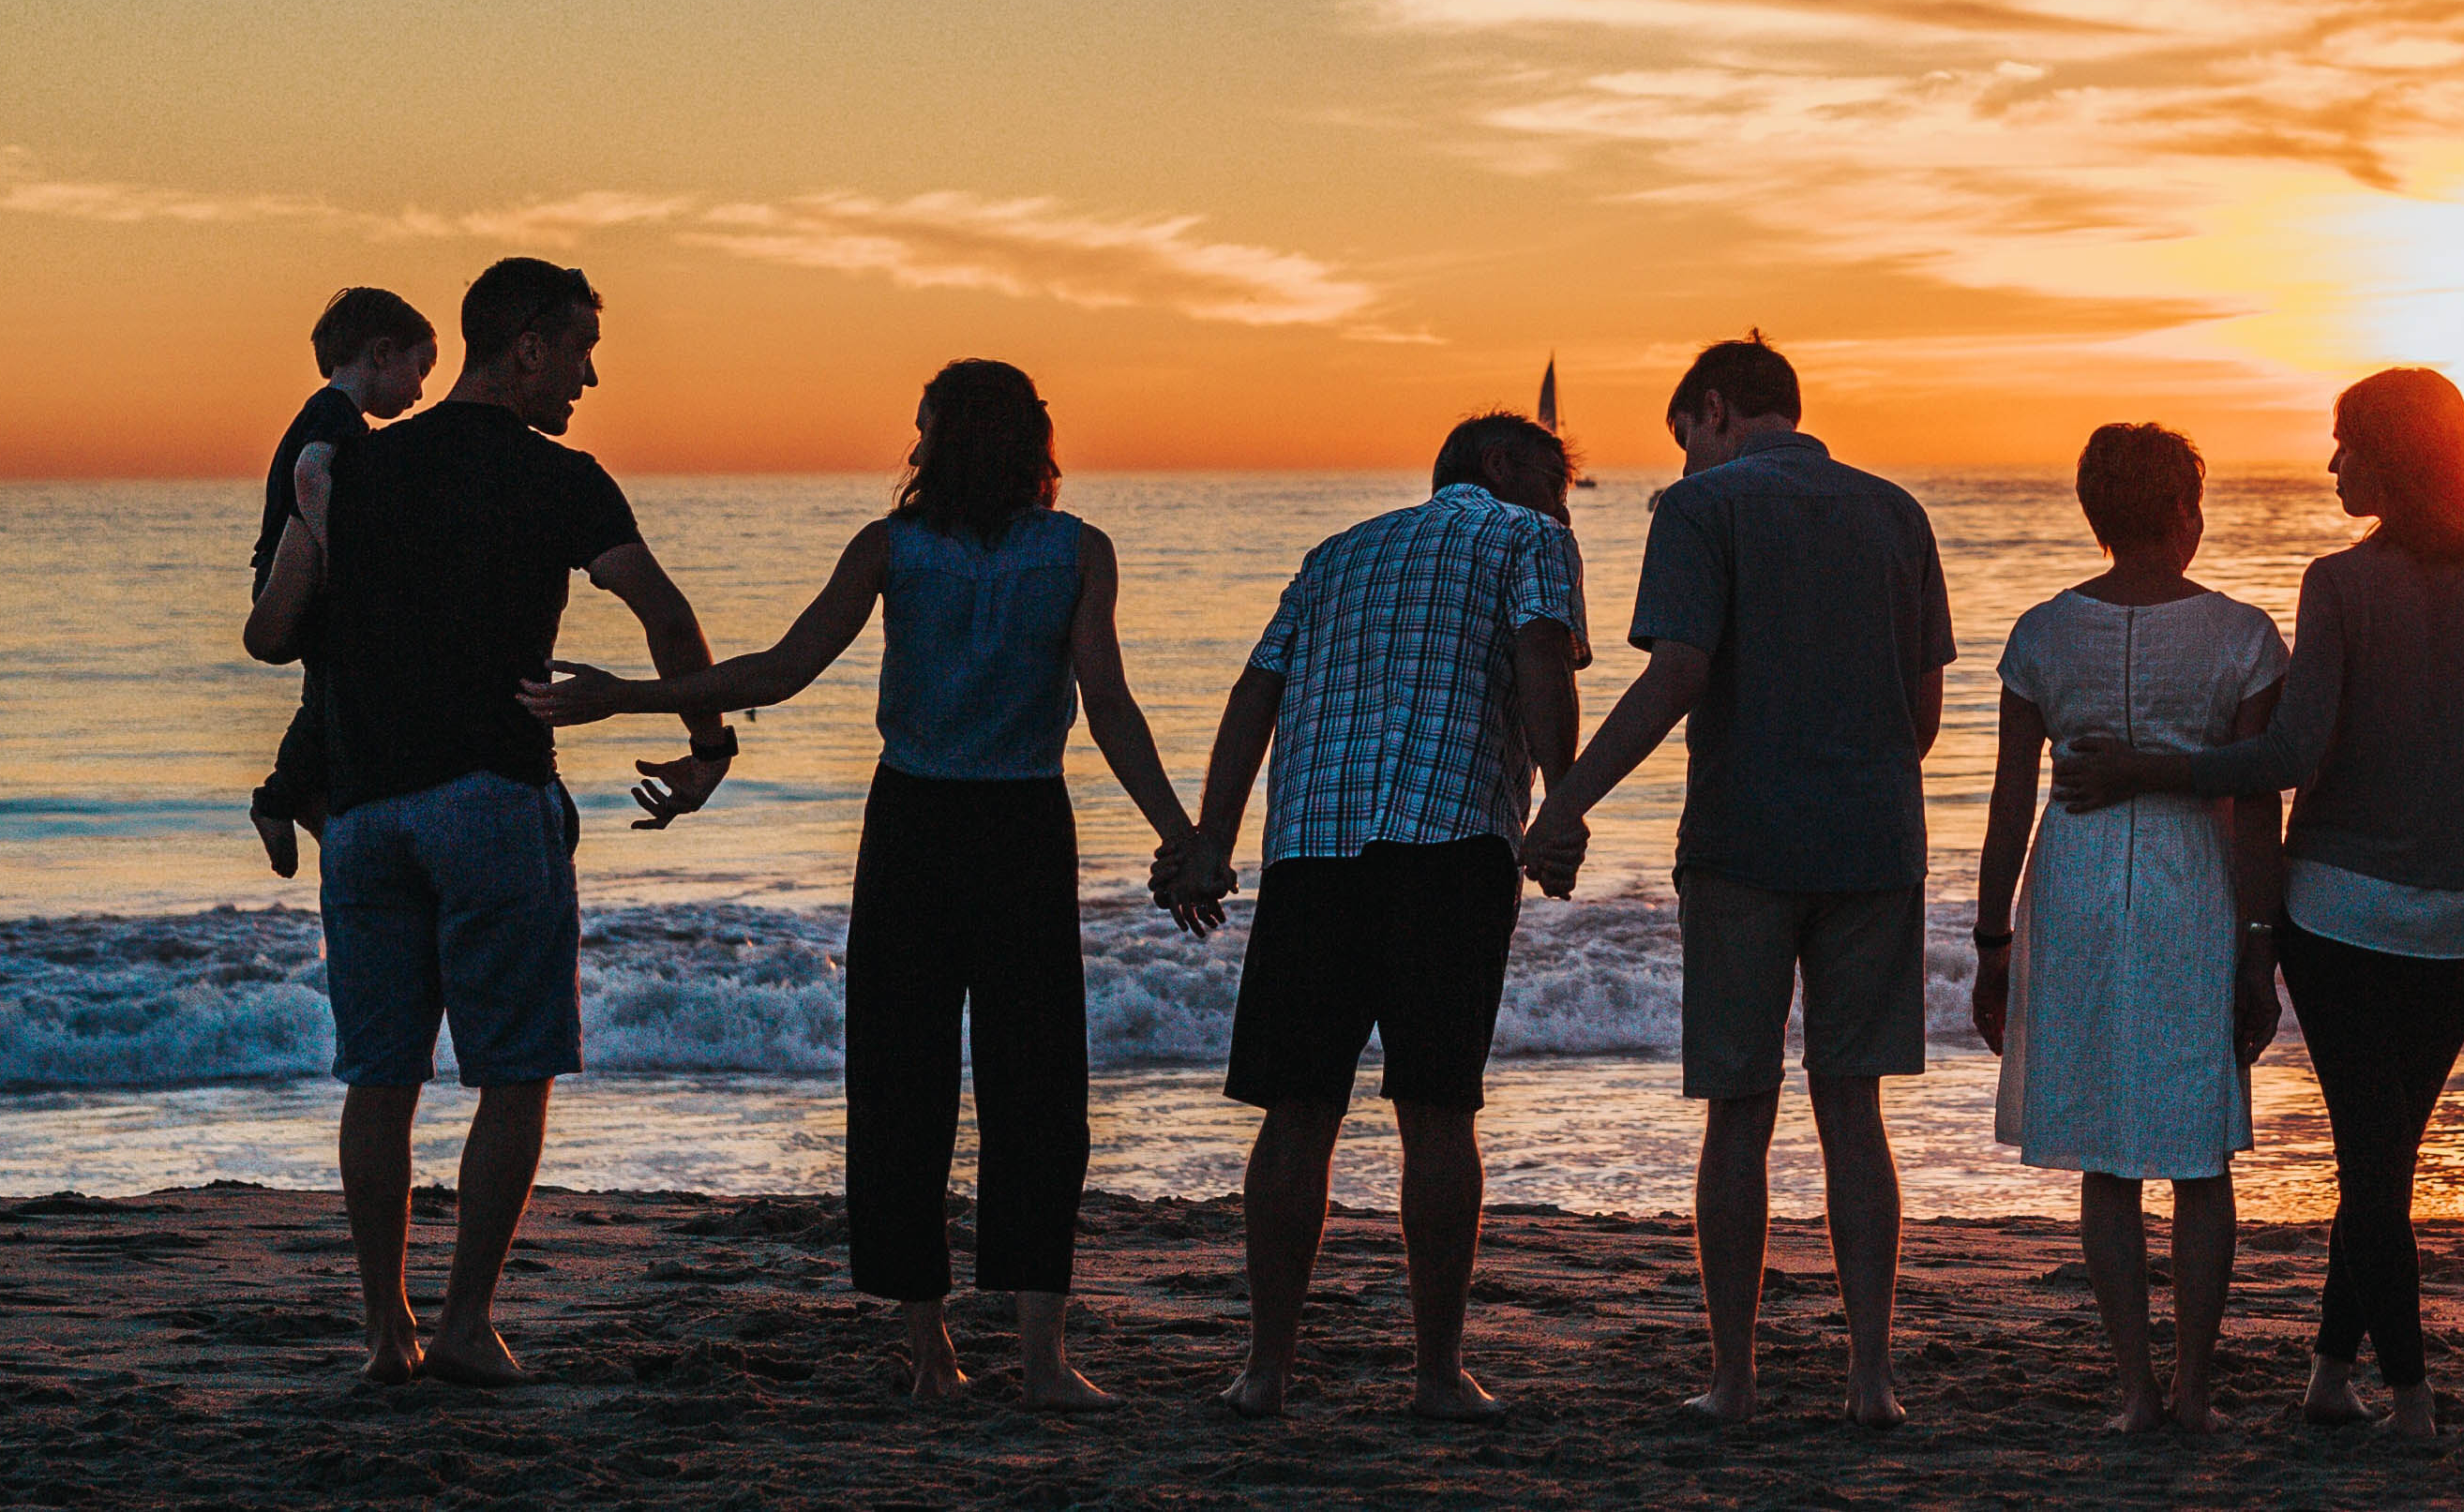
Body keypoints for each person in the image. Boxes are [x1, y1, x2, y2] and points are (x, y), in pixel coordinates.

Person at [518, 359, 1190, 1410]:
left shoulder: (903, 547)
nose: (912, 441)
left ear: (949, 439)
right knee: (1035, 1091)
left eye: (922, 425)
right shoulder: (1068, 550)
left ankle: (938, 1359)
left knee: (903, 1085)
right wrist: (1181, 832)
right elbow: (1106, 704)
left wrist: (630, 697)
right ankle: (1036, 1361)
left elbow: (782, 672)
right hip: (1013, 827)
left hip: (924, 827)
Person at [2053, 367, 2464, 1438]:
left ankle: (2406, 1397)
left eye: (2346, 446)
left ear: (2393, 457)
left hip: (2342, 913)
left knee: (2374, 1165)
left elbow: (2285, 753)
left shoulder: (2339, 584)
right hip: (2460, 918)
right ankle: (2328, 1373)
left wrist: (2144, 767)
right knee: (2385, 1156)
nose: (2331, 466)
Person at [242, 257, 735, 1387]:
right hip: (490, 799)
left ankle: (385, 1334)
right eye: (578, 351)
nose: (589, 377)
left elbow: (275, 634)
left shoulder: (351, 467)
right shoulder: (561, 478)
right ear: (525, 349)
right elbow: (663, 610)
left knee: (381, 1080)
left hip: (364, 813)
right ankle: (464, 1324)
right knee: (513, 1073)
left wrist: (318, 533)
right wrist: (708, 749)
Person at [1518, 336, 1957, 1427]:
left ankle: (1734, 1381)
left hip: (1744, 842)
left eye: (1685, 441)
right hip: (1874, 843)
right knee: (1853, 1113)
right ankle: (1871, 1382)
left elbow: (1677, 673)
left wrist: (1564, 799)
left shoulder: (1698, 511)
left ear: (1714, 411)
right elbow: (1925, 723)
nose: (1684, 464)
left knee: (1738, 1113)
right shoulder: (1896, 512)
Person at [1163, 412, 1587, 1420]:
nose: (1565, 502)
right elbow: (1539, 653)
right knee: (1437, 1110)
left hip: (1313, 849)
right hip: (1448, 845)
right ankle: (1437, 1376)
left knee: (1296, 1111)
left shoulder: (1336, 552)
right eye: (1557, 480)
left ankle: (1264, 1371)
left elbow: (1254, 694)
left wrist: (1210, 841)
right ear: (1502, 467)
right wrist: (1562, 802)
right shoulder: (1529, 537)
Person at [1968, 423, 2288, 1435]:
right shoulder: (2241, 634)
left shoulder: (2040, 633)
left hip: (2072, 882)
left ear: (2094, 517)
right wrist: (2259, 945)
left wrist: (1989, 943)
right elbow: (2260, 804)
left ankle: (2135, 1394)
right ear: (2185, 512)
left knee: (2108, 1157)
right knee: (2198, 1156)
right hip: (2191, 884)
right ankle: (2193, 1392)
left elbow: (2010, 799)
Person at [250, 287, 439, 878]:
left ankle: (303, 800)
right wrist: (353, 558)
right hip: (296, 582)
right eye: (420, 368)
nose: (421, 390)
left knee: (331, 693)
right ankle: (278, 799)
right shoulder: (336, 416)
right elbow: (311, 478)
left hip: (306, 581)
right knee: (331, 693)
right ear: (383, 353)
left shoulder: (332, 415)